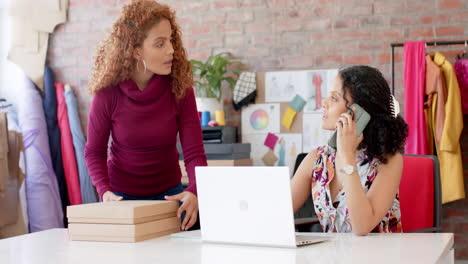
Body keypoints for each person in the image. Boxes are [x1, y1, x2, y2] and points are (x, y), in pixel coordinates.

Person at [85, 0, 207, 231]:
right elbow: (94, 152)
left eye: (171, 40)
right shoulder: (107, 94)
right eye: (160, 44)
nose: (171, 49)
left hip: (171, 200)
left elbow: (194, 154)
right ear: (136, 50)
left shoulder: (180, 89)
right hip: (121, 200)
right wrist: (105, 191)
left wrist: (194, 192)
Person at [291, 65, 408, 235]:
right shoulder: (317, 159)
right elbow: (278, 211)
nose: (324, 103)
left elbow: (362, 227)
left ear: (358, 113)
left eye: (334, 98)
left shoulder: (388, 161)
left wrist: (346, 157)